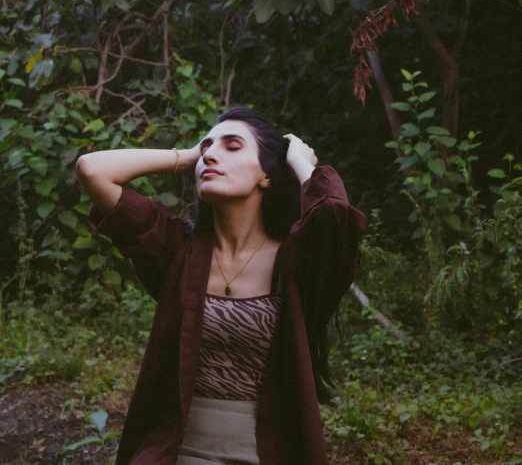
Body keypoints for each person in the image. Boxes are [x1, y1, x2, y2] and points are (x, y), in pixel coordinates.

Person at [76, 106, 366, 465]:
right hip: (173, 450)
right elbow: (93, 170)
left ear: (267, 175)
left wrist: (300, 163)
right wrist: (187, 157)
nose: (211, 153)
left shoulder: (298, 263)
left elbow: (336, 219)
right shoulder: (176, 249)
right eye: (206, 147)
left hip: (266, 452)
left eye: (233, 146)